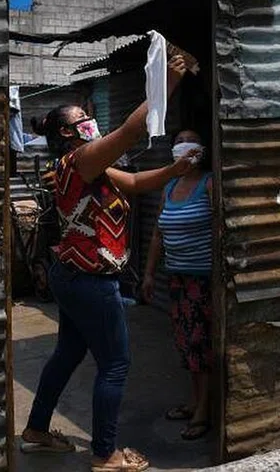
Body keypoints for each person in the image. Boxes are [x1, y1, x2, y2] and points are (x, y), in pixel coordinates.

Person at [21, 55, 194, 472]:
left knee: (67, 354)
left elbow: (134, 183)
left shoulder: (88, 166)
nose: (90, 121)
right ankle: (106, 455)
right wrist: (166, 79)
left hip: (72, 276)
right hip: (90, 280)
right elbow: (132, 130)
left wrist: (175, 168)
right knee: (115, 365)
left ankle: (37, 431)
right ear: (67, 132)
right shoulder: (82, 160)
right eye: (83, 118)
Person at [141, 129, 214, 441]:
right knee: (186, 344)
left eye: (191, 139)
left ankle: (203, 411)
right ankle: (194, 401)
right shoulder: (170, 186)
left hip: (203, 278)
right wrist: (148, 274)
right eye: (178, 140)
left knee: (201, 344)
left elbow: (221, 226)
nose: (184, 144)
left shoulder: (210, 183)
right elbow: (158, 233)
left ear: (202, 148)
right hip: (177, 278)